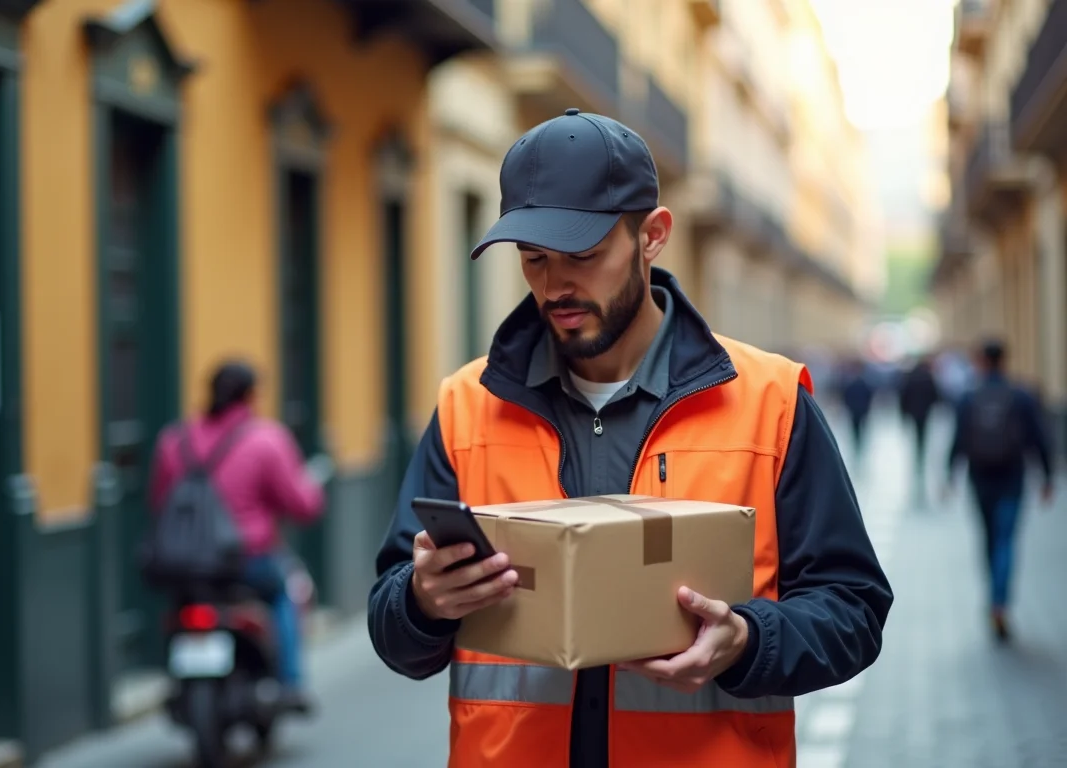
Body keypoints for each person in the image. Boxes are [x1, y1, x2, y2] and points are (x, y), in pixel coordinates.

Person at [367, 109, 893, 768]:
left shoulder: (773, 402)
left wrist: (747, 641)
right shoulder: (465, 406)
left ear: (653, 236)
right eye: (534, 259)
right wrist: (421, 603)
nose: (555, 285)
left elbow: (853, 610)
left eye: (583, 256)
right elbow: (393, 626)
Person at [148, 360, 328, 712]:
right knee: (288, 589)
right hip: (246, 560)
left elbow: (158, 500)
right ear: (250, 396)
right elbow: (303, 504)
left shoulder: (174, 440)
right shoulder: (266, 440)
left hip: (184, 566)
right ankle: (290, 682)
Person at [944, 339, 1054, 641]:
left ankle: (992, 596)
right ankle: (999, 603)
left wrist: (950, 474)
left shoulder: (968, 397)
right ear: (1004, 360)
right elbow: (1040, 438)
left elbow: (958, 438)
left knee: (989, 539)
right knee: (1006, 540)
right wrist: (1047, 477)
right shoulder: (1021, 396)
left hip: (980, 480)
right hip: (1012, 479)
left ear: (981, 361)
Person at [898, 354, 940, 494]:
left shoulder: (910, 377)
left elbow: (904, 395)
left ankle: (918, 452)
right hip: (924, 412)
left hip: (914, 411)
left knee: (917, 432)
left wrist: (903, 412)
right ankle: (920, 451)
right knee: (922, 432)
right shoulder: (928, 377)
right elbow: (934, 394)